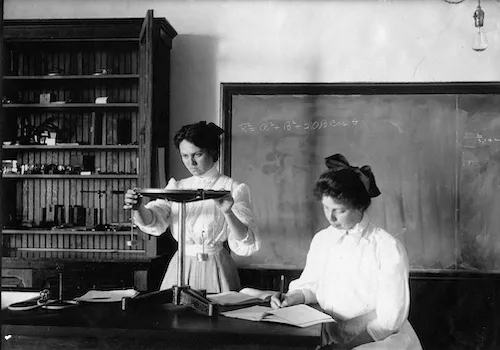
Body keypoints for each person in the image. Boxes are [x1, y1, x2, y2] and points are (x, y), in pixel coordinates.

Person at [270, 154, 422, 350]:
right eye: (326, 208)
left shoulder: (386, 247)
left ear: (359, 206)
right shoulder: (322, 240)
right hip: (327, 331)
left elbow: (390, 319)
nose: (331, 217)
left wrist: (344, 348)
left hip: (374, 339)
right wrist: (293, 297)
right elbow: (312, 286)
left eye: (339, 210)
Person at [124, 121, 260, 293]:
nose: (191, 163)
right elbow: (155, 220)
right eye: (185, 156)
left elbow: (244, 240)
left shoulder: (233, 188)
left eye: (198, 154)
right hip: (181, 264)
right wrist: (138, 208)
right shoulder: (177, 187)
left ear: (212, 151)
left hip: (215, 267)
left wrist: (227, 212)